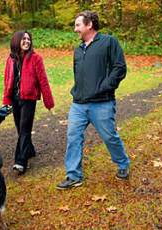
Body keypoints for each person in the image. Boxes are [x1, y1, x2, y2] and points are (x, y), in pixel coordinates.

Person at [56, 11, 130, 190]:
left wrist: (104, 86)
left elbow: (120, 68)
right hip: (78, 104)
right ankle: (73, 175)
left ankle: (123, 163)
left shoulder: (108, 42)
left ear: (89, 25)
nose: (75, 30)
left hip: (102, 103)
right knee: (73, 137)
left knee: (109, 136)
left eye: (78, 25)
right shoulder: (78, 49)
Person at [3, 30, 54, 175]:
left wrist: (48, 101)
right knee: (20, 128)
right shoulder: (11, 59)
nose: (27, 41)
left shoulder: (36, 58)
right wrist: (6, 100)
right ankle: (29, 150)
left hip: (29, 99)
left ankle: (20, 161)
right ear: (16, 41)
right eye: (24, 39)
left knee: (24, 129)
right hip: (15, 98)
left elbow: (43, 81)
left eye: (29, 39)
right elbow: (7, 80)